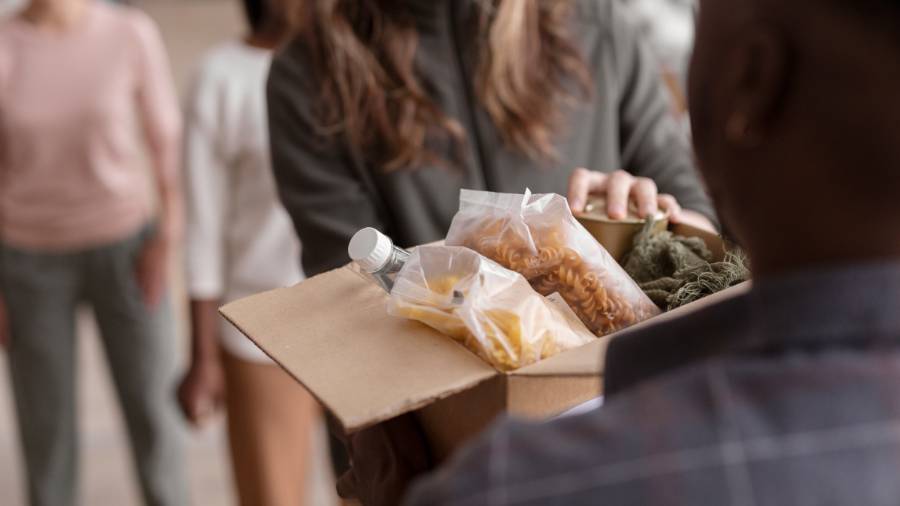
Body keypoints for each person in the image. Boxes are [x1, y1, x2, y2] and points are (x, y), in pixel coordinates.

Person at [334, 0, 900, 503]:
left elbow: (685, 187)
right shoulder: (325, 64)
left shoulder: (511, 485)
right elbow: (345, 289)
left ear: (749, 77)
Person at [267, 0, 718, 280]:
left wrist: (646, 218)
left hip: (604, 384)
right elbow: (349, 286)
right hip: (431, 398)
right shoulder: (312, 75)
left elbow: (698, 222)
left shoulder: (597, 25)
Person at [0, 0, 187, 505]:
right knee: (46, 434)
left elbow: (167, 144)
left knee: (156, 418)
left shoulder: (130, 32)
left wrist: (167, 236)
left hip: (128, 252)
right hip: (26, 263)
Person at [176, 0, 319, 505]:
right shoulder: (221, 78)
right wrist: (202, 356)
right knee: (271, 495)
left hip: (355, 316)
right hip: (260, 330)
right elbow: (202, 229)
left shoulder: (346, 63)